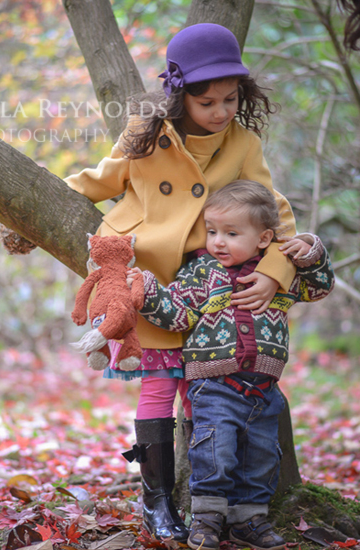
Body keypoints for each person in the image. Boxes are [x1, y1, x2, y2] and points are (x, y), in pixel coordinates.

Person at [65, 23, 298, 542]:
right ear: (179, 94)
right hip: (146, 278)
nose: (221, 111)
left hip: (206, 287)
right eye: (207, 101)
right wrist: (38, 193)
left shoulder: (243, 143)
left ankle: (217, 505)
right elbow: (104, 178)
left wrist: (273, 271)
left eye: (230, 99)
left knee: (205, 390)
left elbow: (274, 214)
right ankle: (157, 501)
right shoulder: (147, 131)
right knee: (158, 385)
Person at [127, 180, 335, 550]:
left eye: (231, 233)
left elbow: (319, 288)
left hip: (264, 390)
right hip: (215, 386)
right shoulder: (202, 272)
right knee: (214, 451)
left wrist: (309, 253)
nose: (218, 242)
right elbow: (177, 313)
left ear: (264, 238)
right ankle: (206, 518)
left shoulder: (279, 272)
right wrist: (148, 291)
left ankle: (249, 520)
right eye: (212, 231)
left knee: (261, 457)